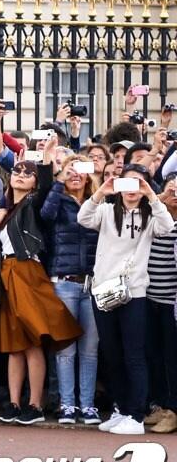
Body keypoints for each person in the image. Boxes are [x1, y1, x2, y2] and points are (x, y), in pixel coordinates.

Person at [79, 164, 176, 435]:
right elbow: (83, 218)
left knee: (134, 353)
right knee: (111, 353)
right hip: (103, 290)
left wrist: (152, 196)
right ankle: (122, 407)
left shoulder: (150, 216)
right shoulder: (108, 212)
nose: (132, 189)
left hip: (134, 292)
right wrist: (101, 191)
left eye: (139, 183)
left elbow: (167, 226)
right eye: (128, 183)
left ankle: (136, 414)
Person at [0, 153, 81, 426]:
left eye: (27, 173)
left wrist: (45, 160)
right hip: (7, 273)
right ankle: (14, 403)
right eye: (17, 171)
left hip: (28, 271)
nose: (20, 174)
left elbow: (44, 187)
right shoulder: (4, 207)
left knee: (32, 342)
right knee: (13, 345)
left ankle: (35, 404)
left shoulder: (33, 203)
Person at [40, 152, 102, 425]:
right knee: (65, 348)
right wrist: (59, 180)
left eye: (81, 170)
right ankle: (67, 404)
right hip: (63, 282)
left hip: (93, 283)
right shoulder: (58, 200)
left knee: (90, 348)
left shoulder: (99, 201)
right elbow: (46, 215)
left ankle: (87, 405)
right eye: (70, 170)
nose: (76, 175)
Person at [146, 173, 177, 433]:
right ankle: (163, 405)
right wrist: (160, 199)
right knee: (154, 356)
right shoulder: (153, 217)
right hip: (149, 298)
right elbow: (137, 207)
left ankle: (174, 411)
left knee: (172, 358)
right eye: (171, 189)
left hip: (172, 302)